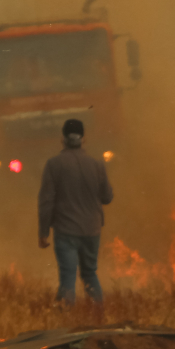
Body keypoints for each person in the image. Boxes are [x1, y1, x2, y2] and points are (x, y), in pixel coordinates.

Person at [38, 118, 114, 305]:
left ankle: (65, 315)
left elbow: (46, 201)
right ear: (83, 139)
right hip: (92, 230)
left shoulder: (54, 164)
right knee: (90, 273)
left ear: (62, 139)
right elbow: (107, 197)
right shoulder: (97, 165)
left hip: (66, 231)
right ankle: (99, 313)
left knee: (68, 276)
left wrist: (43, 232)